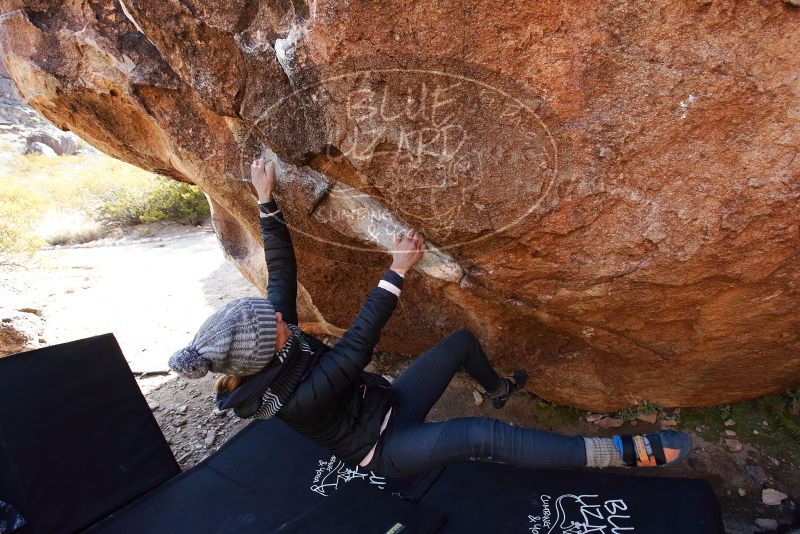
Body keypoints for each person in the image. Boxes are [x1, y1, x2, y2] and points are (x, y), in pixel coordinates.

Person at [168, 157, 691, 478]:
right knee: (480, 436)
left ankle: (500, 389)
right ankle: (616, 453)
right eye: (278, 323)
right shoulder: (292, 399)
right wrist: (396, 271)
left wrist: (266, 201)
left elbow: (281, 270)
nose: (284, 318)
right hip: (382, 447)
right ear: (264, 351)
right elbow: (354, 350)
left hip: (388, 402)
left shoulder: (268, 337)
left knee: (460, 342)